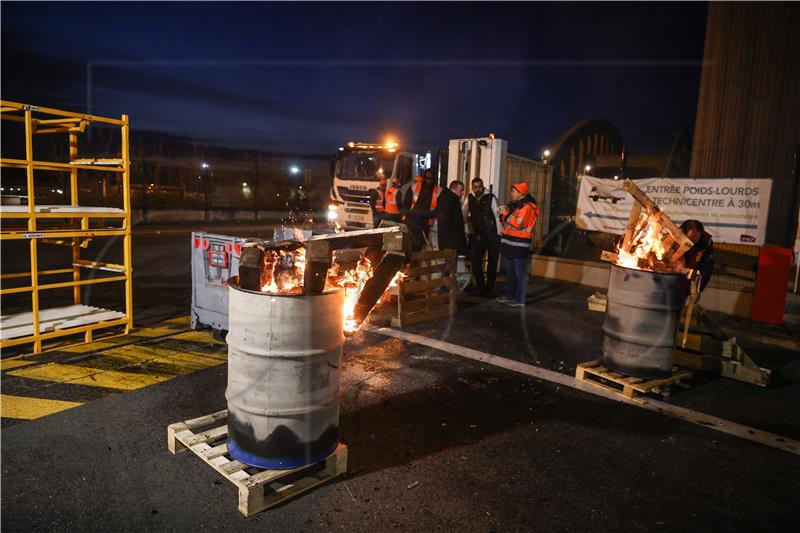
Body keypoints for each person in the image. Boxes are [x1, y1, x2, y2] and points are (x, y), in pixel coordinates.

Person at [497, 182, 539, 307]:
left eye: (513, 191)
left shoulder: (528, 207)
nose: (511, 193)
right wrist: (504, 213)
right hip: (511, 242)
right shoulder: (515, 205)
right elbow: (508, 221)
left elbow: (519, 224)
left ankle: (520, 300)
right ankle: (510, 296)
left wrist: (505, 214)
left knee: (519, 272)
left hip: (520, 244)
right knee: (511, 272)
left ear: (521, 193)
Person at [465, 177, 502, 295]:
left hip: (492, 233)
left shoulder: (491, 197)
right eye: (475, 187)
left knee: (492, 261)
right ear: (472, 187)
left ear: (483, 186)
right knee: (475, 260)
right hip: (478, 234)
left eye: (479, 187)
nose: (477, 189)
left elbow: (497, 216)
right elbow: (464, 214)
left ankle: (489, 288)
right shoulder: (469, 198)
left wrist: (499, 232)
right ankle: (481, 286)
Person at [401, 169, 440, 250]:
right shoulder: (414, 187)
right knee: (408, 245)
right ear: (424, 178)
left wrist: (426, 215)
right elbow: (405, 204)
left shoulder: (438, 191)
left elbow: (437, 210)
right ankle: (408, 261)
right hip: (411, 220)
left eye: (431, 179)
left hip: (425, 223)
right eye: (427, 178)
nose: (429, 181)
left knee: (419, 246)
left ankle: (414, 261)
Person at [679, 219, 715, 292]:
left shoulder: (706, 244)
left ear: (701, 234)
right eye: (690, 240)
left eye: (695, 240)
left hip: (688, 285)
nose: (692, 243)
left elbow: (706, 270)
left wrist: (698, 290)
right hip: (670, 282)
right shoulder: (675, 236)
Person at [436, 181, 467, 255]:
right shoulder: (453, 200)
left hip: (445, 239)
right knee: (451, 264)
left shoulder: (444, 197)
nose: (463, 193)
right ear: (454, 189)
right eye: (461, 190)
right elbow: (456, 222)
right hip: (452, 241)